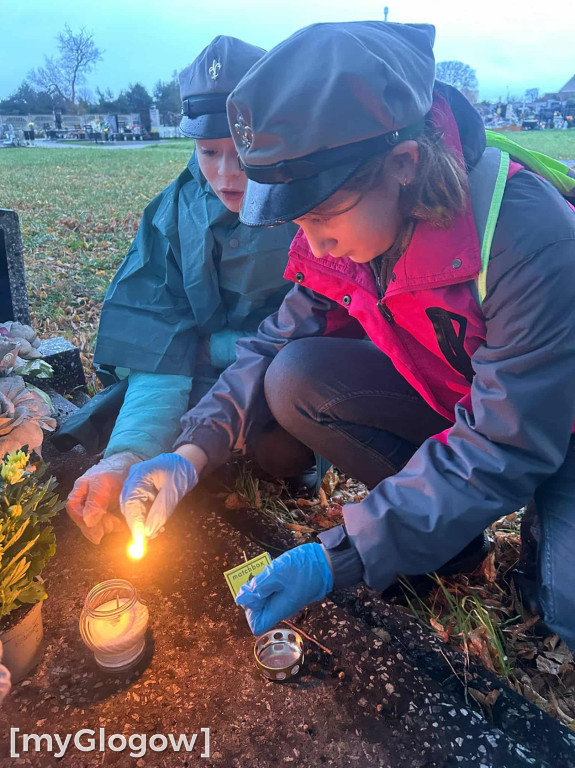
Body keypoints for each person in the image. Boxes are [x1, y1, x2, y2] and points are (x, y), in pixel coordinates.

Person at [118, 22, 575, 650]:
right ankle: (450, 539)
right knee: (295, 375)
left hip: (554, 421)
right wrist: (190, 452)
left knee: (562, 612)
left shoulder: (529, 237)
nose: (313, 242)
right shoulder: (354, 220)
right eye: (298, 222)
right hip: (463, 401)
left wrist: (344, 554)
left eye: (323, 217)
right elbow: (276, 342)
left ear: (404, 164)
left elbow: (509, 441)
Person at [65, 36, 299, 545]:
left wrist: (212, 347)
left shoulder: (310, 201)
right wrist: (129, 455)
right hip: (194, 371)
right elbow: (158, 347)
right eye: (209, 151)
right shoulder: (170, 214)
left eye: (242, 151)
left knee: (280, 453)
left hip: (282, 368)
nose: (225, 174)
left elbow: (324, 328)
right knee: (129, 440)